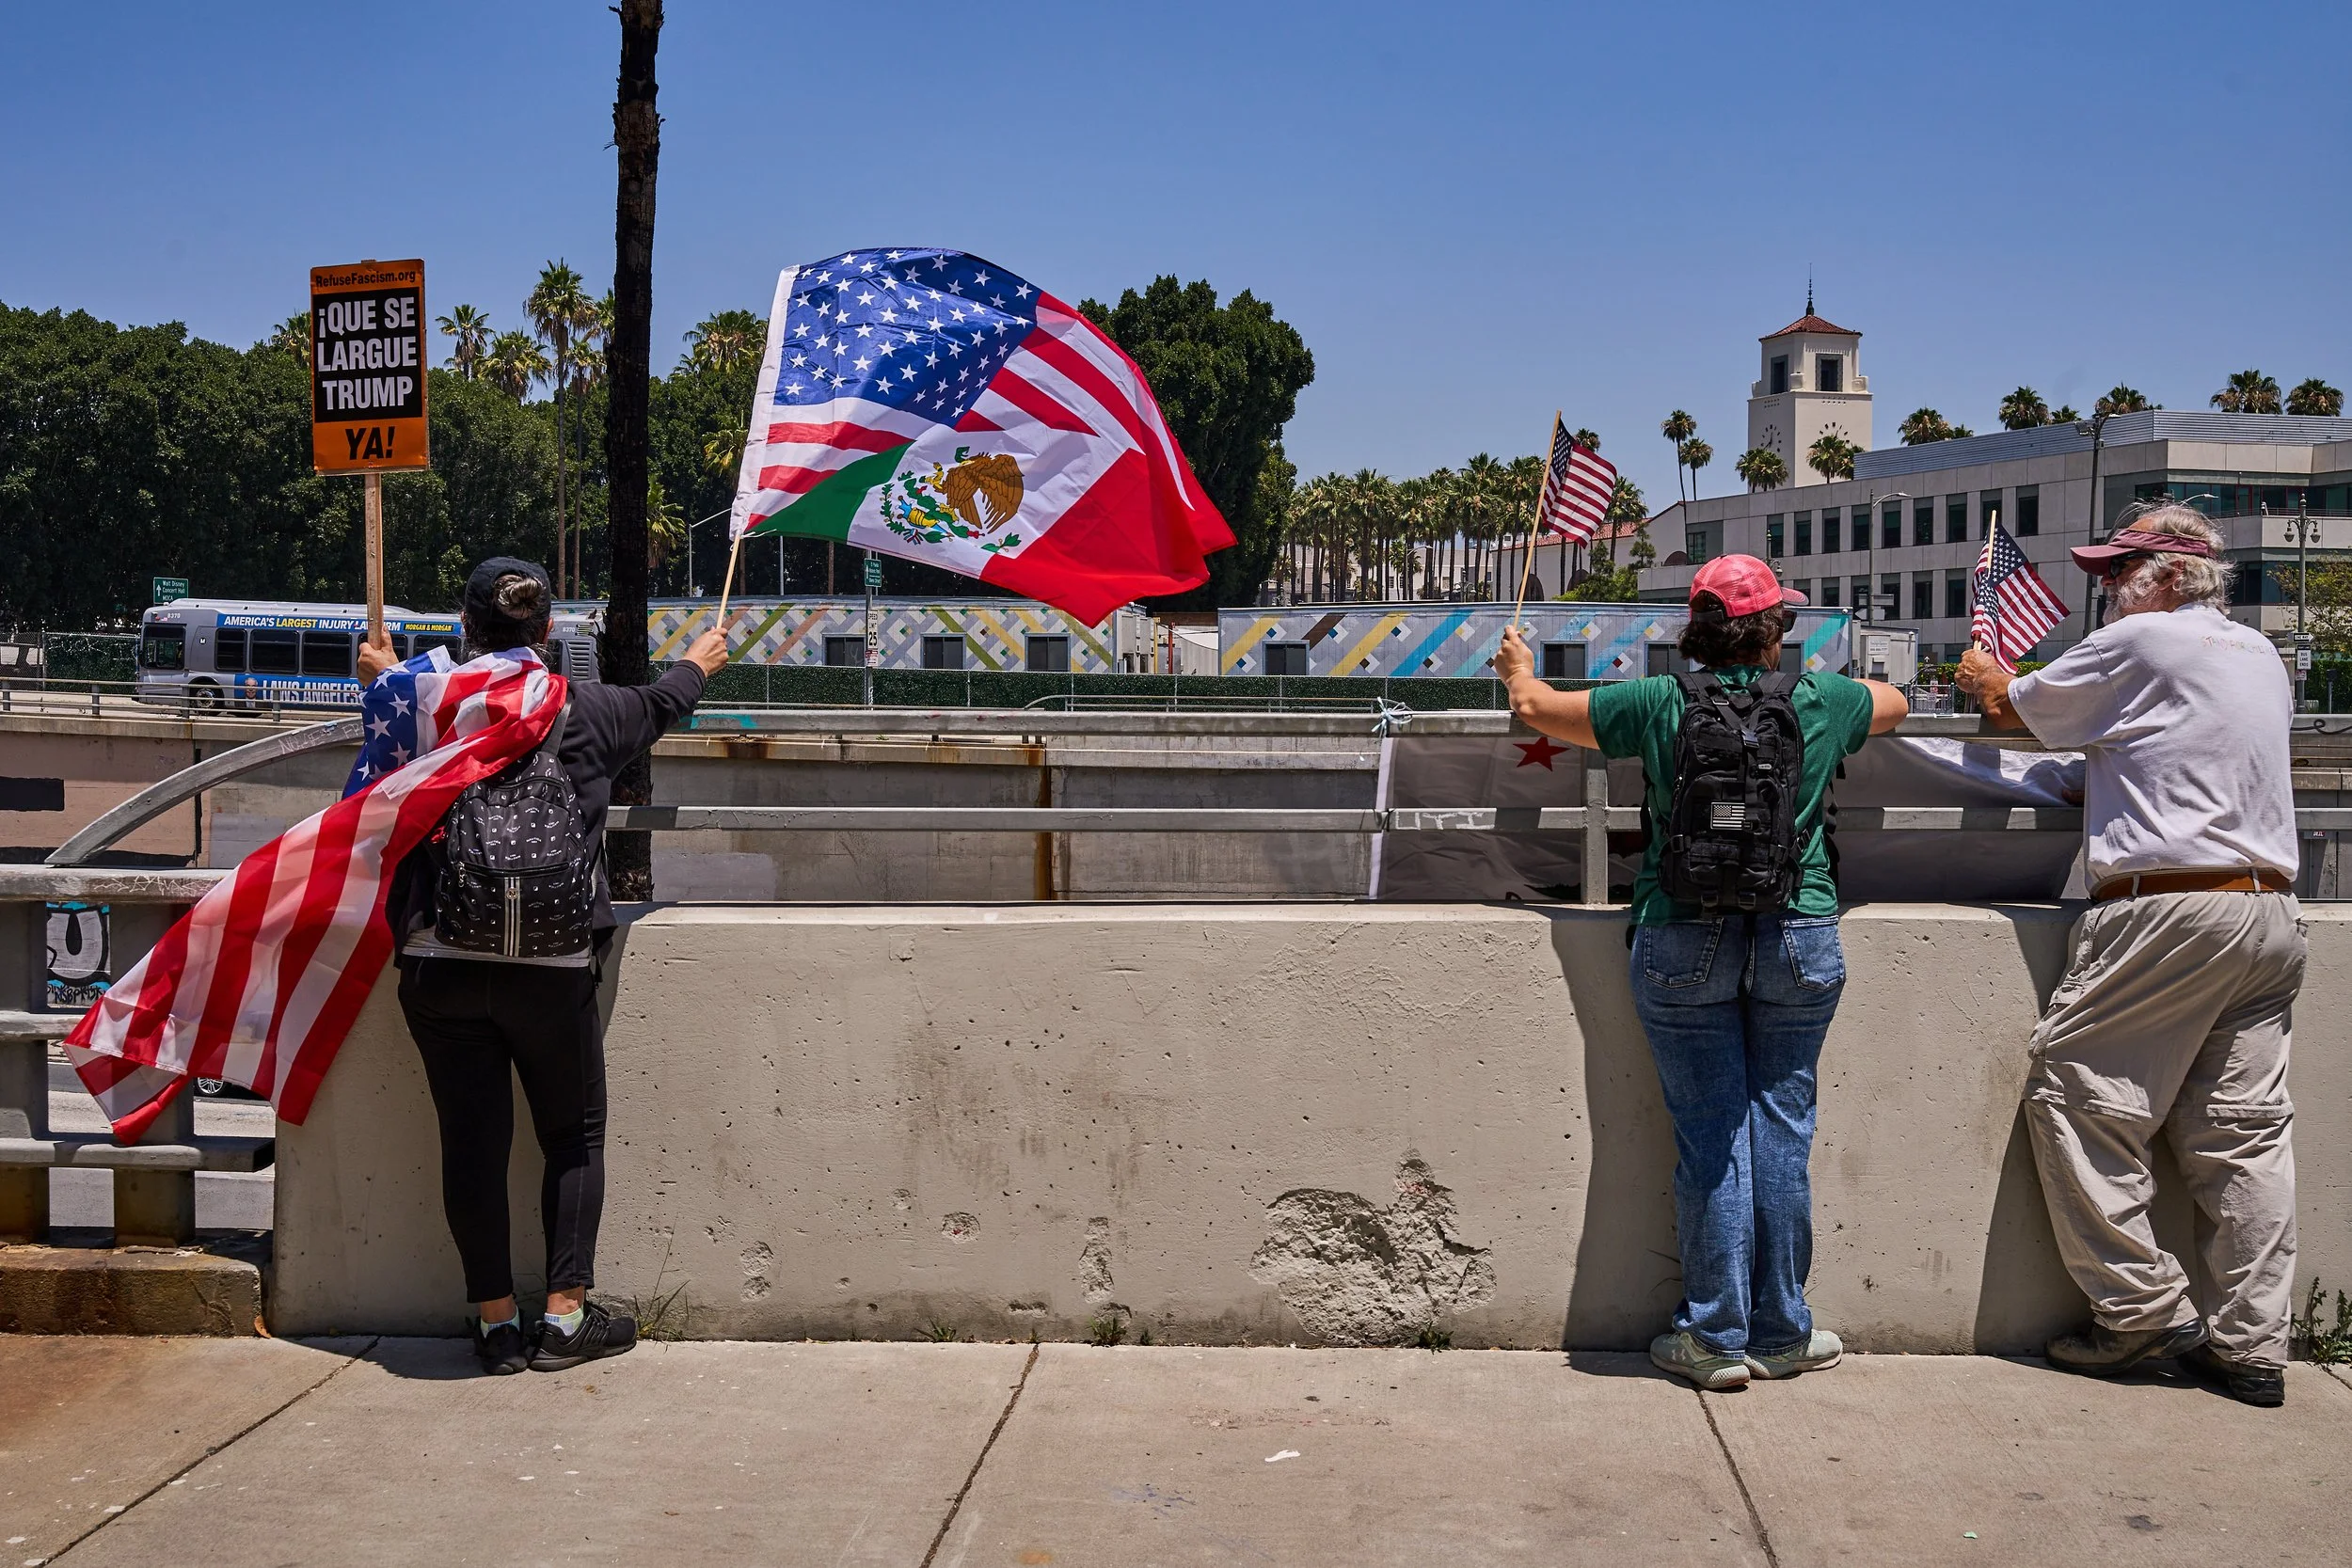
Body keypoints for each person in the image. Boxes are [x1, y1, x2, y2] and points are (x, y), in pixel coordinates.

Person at [1499, 556, 1908, 1390]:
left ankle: (1715, 1337)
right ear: (1774, 631)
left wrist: (1517, 669)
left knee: (1711, 1134)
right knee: (1783, 1127)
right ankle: (1783, 1329)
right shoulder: (1820, 699)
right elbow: (1897, 703)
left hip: (1681, 933)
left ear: (1694, 628)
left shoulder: (1656, 702)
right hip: (1800, 929)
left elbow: (1536, 710)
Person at [1958, 504, 2303, 1407]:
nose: (2105, 587)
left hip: (2170, 907)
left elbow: (2011, 710)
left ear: (2160, 575)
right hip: (2269, 908)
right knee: (2242, 1133)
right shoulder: (2256, 652)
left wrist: (1989, 674)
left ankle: (2142, 1306)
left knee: (2074, 1094)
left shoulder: (2141, 642)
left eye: (2117, 570)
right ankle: (2253, 1347)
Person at [358, 558, 730, 1375]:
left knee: (471, 1141)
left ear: (465, 627)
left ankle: (494, 1323)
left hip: (440, 956)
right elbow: (665, 701)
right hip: (552, 964)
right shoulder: (589, 708)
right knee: (573, 1134)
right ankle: (564, 1318)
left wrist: (384, 677)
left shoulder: (422, 704)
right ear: (548, 633)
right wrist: (699, 661)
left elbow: (386, 738)